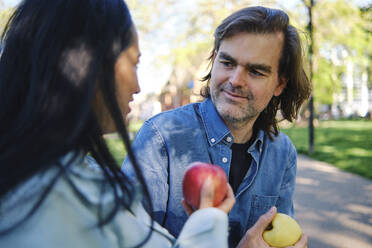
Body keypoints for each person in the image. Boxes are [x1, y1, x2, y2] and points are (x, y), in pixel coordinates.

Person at [0, 0, 239, 247]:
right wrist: (209, 224)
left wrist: (206, 222)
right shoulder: (56, 201)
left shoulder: (74, 175)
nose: (137, 87)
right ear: (86, 64)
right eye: (134, 63)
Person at [122, 6, 311, 247]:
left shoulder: (282, 153)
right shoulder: (160, 138)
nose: (235, 81)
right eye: (228, 63)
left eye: (255, 71)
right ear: (214, 61)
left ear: (279, 85)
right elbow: (126, 240)